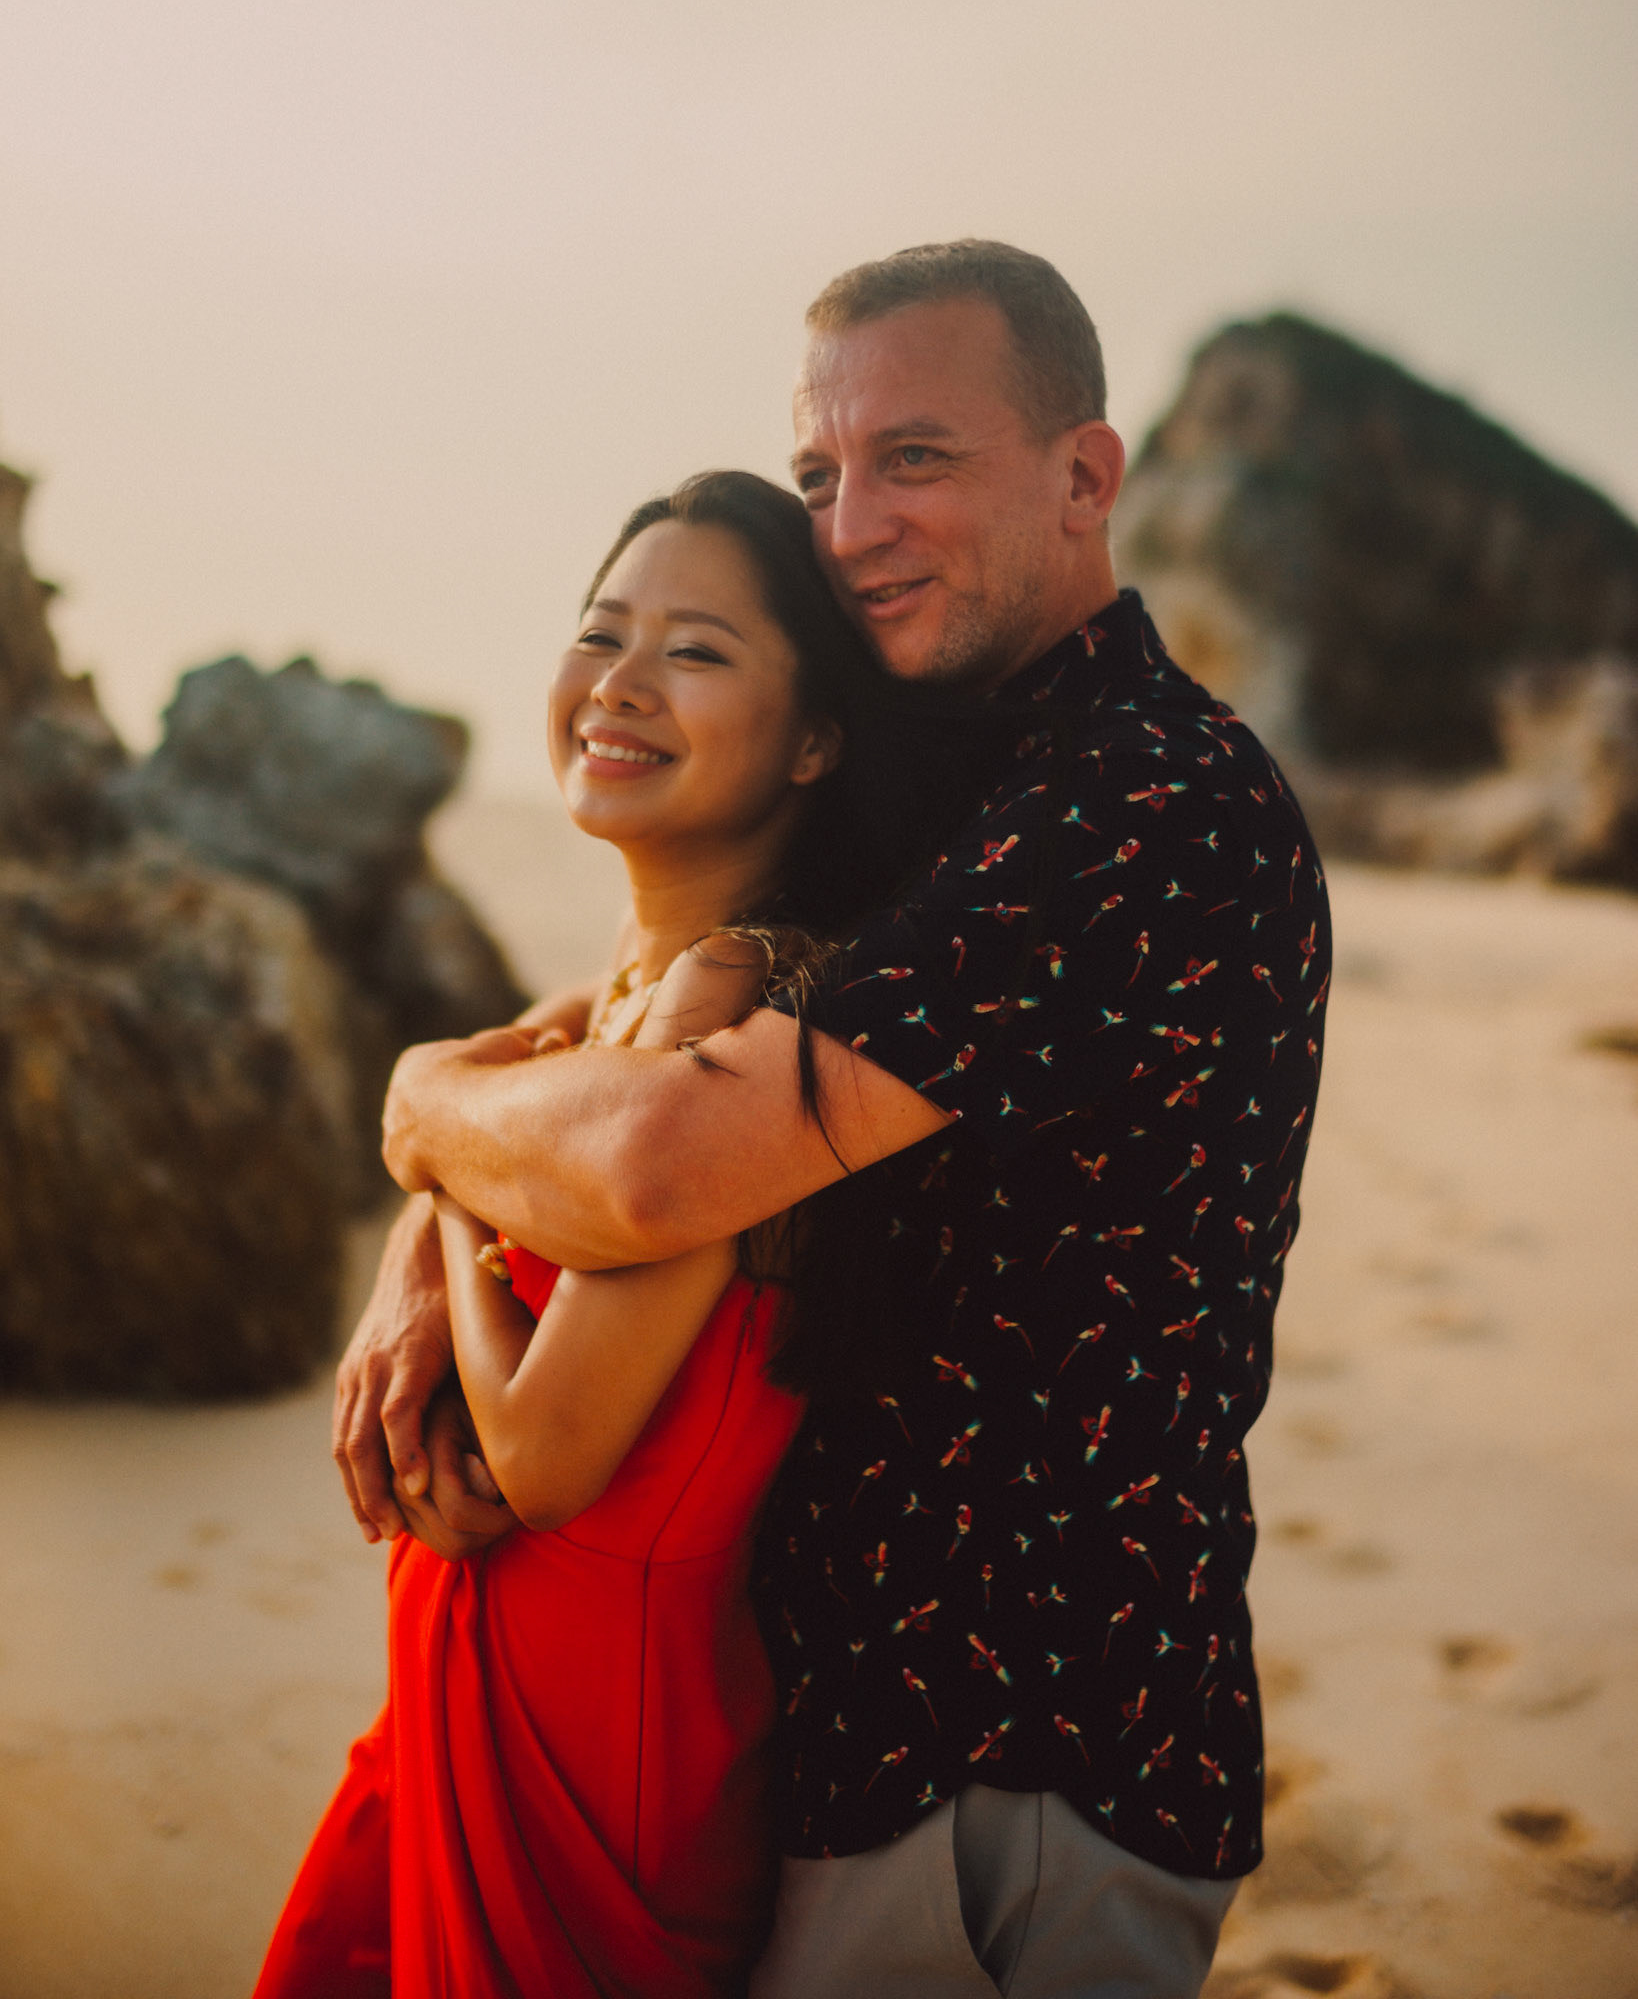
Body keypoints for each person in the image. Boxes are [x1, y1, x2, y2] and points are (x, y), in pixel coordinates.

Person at [338, 240, 1332, 1998]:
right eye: (819, 471)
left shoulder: (1143, 800)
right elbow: (638, 1017)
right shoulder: (971, 784)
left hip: (1017, 1761)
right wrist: (433, 1243)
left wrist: (419, 1104)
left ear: (1084, 476)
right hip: (848, 1732)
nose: (850, 525)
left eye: (914, 458)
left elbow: (654, 1157)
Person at [256, 470, 984, 1997]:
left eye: (695, 651)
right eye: (601, 631)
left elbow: (540, 1449)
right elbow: (483, 1096)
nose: (620, 683)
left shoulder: (731, 998)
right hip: (472, 1695)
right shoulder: (634, 980)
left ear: (814, 739)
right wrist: (421, 1236)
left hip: (597, 1769)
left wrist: (439, 1193)